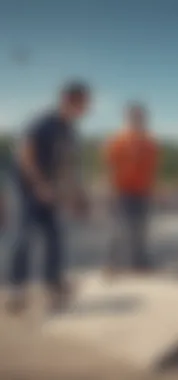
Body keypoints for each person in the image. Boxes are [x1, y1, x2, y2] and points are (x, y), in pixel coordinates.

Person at [8, 81, 91, 312]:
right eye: (82, 104)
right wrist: (39, 184)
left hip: (51, 191)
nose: (84, 110)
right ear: (68, 101)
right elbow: (25, 152)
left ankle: (52, 284)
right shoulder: (45, 122)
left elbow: (69, 167)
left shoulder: (70, 131)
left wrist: (78, 196)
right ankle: (17, 290)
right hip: (27, 189)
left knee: (55, 236)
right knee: (24, 237)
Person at [104, 103, 159, 275]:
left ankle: (139, 263)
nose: (138, 121)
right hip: (122, 191)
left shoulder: (150, 144)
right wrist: (110, 189)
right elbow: (109, 167)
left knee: (140, 229)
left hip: (142, 191)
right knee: (118, 229)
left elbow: (152, 169)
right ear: (127, 119)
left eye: (140, 118)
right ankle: (112, 264)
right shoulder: (117, 142)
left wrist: (153, 189)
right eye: (134, 117)